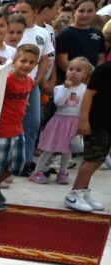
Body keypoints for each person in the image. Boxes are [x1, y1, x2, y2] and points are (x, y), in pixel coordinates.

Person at [0, 45, 39, 212]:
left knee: (18, 166)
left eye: (32, 62)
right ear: (14, 62)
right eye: (23, 61)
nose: (27, 65)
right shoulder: (6, 80)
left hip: (18, 129)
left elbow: (22, 100)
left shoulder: (29, 82)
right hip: (2, 129)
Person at [32, 57, 92, 185]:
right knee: (49, 149)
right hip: (59, 122)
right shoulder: (59, 88)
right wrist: (66, 88)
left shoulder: (86, 89)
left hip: (74, 123)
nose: (73, 72)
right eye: (71, 69)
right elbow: (58, 102)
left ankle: (62, 172)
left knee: (67, 150)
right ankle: (37, 172)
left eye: (78, 70)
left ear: (85, 75)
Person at [66, 59, 111, 212]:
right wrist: (84, 120)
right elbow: (89, 94)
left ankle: (83, 191)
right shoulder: (104, 69)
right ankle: (74, 194)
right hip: (97, 122)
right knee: (93, 159)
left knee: (99, 159)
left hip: (108, 123)